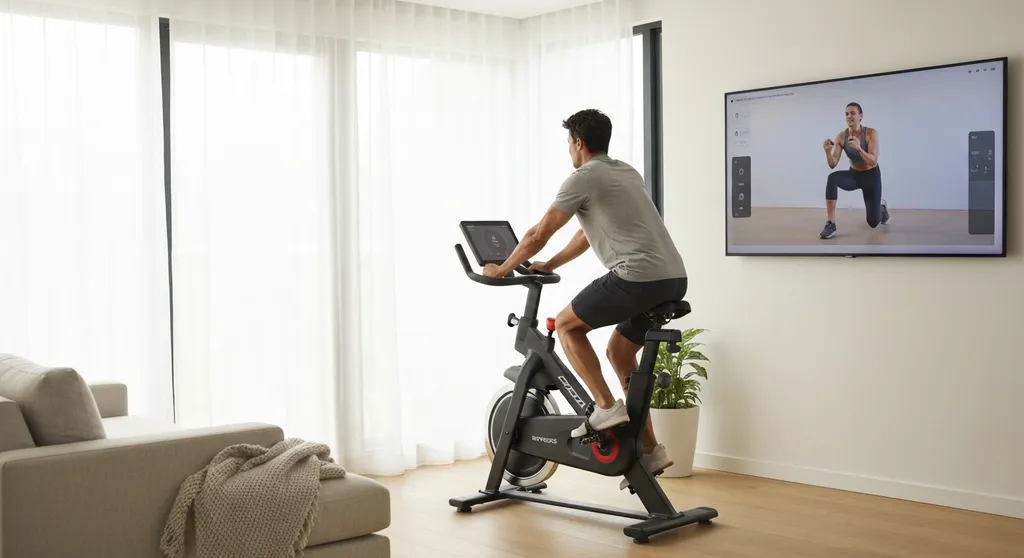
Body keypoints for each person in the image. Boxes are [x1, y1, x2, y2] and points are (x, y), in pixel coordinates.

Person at [481, 109, 687, 480]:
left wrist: (502, 268)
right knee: (620, 352)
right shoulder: (625, 172)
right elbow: (586, 234)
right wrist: (550, 264)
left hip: (637, 277)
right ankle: (650, 449)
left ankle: (605, 407)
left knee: (566, 325)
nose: (568, 150)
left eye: (568, 143)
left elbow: (538, 233)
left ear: (578, 142)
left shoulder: (583, 177)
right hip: (671, 278)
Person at [819, 102, 891, 239]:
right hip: (854, 175)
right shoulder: (841, 136)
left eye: (853, 113)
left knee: (873, 222)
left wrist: (859, 148)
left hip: (871, 177)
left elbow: (873, 161)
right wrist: (828, 152)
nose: (849, 116)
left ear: (861, 116)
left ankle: (881, 209)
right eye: (846, 114)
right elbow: (833, 164)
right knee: (832, 178)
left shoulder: (870, 133)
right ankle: (831, 224)